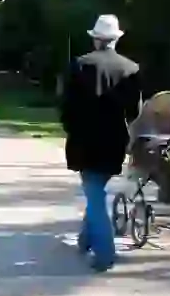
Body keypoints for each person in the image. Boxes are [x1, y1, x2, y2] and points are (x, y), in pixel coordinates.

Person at [59, 14, 143, 271]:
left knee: (94, 194)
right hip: (114, 140)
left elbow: (66, 106)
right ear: (115, 39)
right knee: (95, 189)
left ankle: (105, 253)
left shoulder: (79, 65)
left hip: (84, 140)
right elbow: (135, 111)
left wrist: (71, 128)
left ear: (96, 39)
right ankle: (86, 240)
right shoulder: (131, 69)